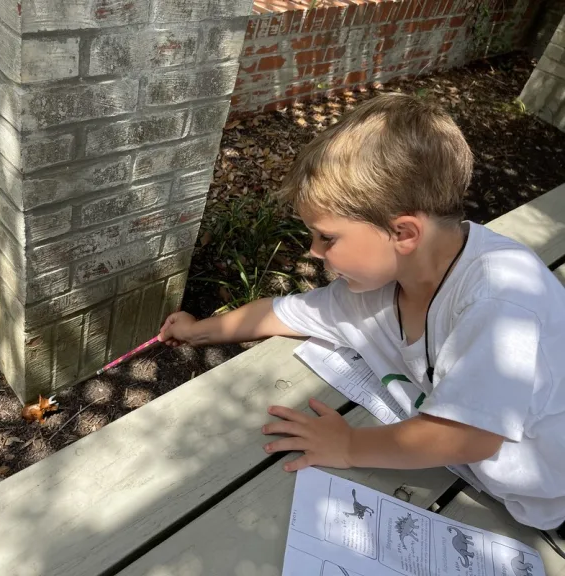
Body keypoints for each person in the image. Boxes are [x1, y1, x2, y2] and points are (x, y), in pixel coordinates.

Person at [158, 92, 565, 535]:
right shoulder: (376, 290)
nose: (313, 252)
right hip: (496, 488)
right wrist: (197, 331)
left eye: (327, 237)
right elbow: (281, 313)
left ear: (403, 232)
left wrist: (349, 445)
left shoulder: (498, 295)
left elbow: (466, 436)